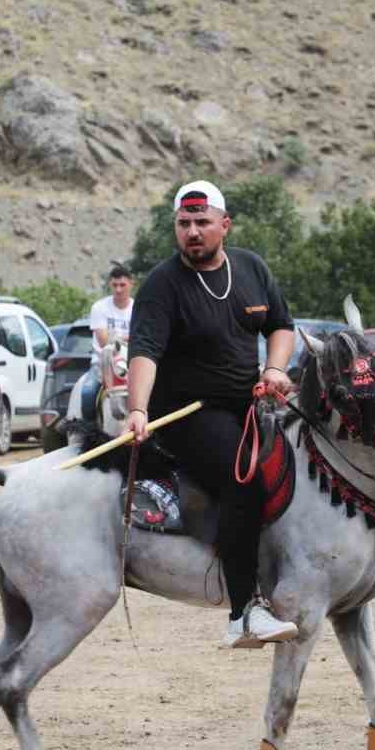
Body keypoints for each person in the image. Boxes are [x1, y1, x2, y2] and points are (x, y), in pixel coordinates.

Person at [125, 180, 298, 650]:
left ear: (225, 225)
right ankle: (245, 613)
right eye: (184, 223)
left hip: (248, 405)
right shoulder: (161, 285)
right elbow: (144, 352)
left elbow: (281, 325)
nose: (193, 232)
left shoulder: (251, 268)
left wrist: (274, 368)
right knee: (243, 477)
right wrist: (137, 409)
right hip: (185, 414)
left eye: (202, 222)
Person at [79, 263, 136, 426]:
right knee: (88, 393)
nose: (118, 289)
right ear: (110, 284)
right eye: (114, 285)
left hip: (133, 364)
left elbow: (141, 337)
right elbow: (104, 341)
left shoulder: (138, 308)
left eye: (122, 285)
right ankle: (89, 431)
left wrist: (117, 337)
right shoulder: (99, 307)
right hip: (103, 364)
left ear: (131, 284)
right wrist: (129, 337)